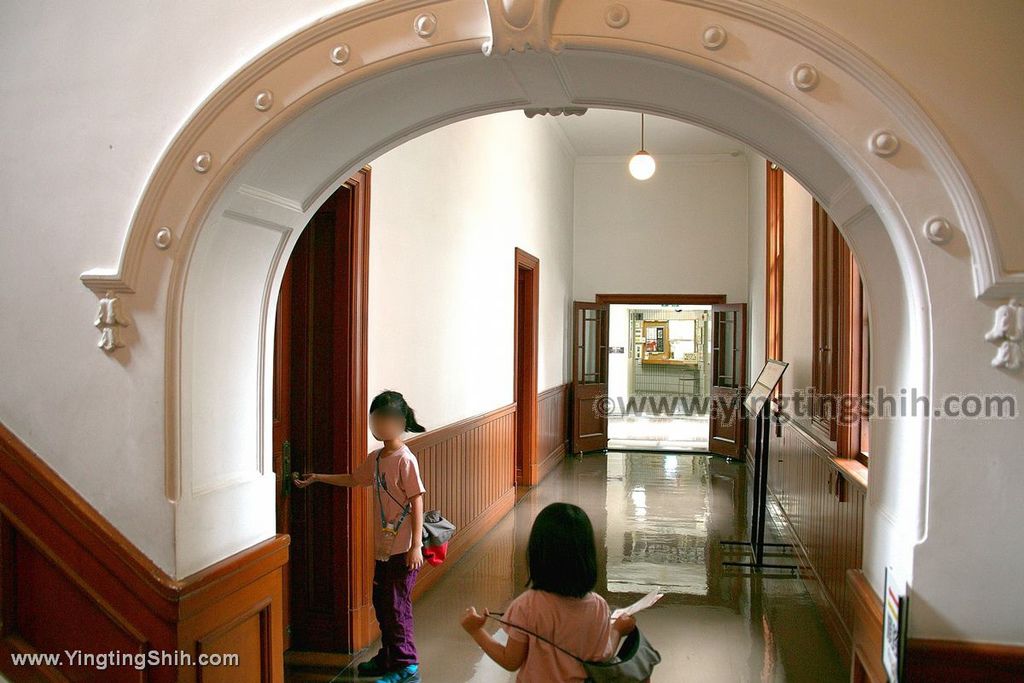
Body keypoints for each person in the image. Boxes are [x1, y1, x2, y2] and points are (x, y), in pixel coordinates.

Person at [294, 389, 427, 683]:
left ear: (400, 421)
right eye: (375, 421)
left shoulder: (406, 460)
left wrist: (416, 545)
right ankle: (390, 656)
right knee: (382, 603)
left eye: (385, 421)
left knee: (397, 607)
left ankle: (406, 666)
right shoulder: (377, 458)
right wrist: (317, 478)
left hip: (404, 548)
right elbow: (355, 479)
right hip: (385, 546)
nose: (378, 427)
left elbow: (417, 500)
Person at [460, 502, 636, 682]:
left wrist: (476, 631)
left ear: (537, 554)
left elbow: (511, 661)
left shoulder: (526, 605)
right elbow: (602, 659)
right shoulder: (599, 606)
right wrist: (617, 631)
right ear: (588, 555)